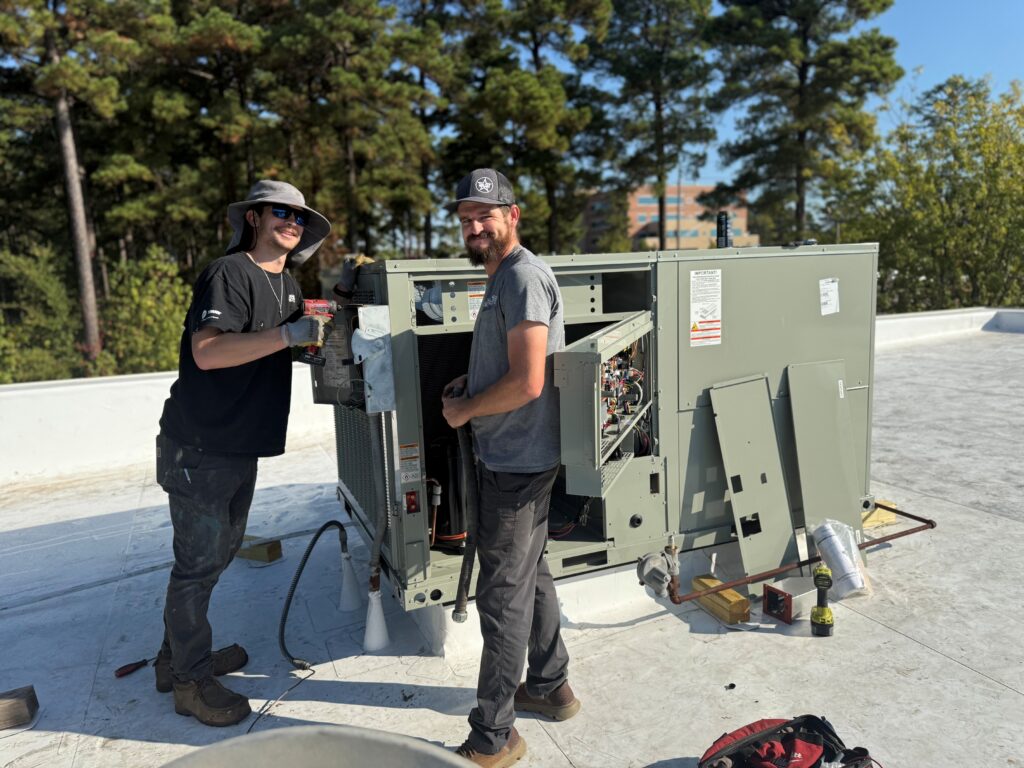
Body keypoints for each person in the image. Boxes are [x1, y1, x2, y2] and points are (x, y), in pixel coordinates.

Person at [154, 180, 332, 727]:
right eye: (280, 212)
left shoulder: (290, 286)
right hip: (200, 447)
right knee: (196, 566)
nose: (292, 222)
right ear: (254, 218)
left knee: (217, 556)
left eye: (300, 217)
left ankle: (175, 658)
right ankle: (188, 681)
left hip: (238, 446)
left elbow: (288, 343)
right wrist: (286, 337)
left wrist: (326, 340)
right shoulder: (228, 273)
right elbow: (207, 353)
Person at [441, 169, 580, 767]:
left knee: (502, 598)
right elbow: (510, 365)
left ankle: (495, 735)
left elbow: (528, 382)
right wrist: (470, 385)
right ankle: (550, 685)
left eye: (486, 216)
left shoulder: (522, 277)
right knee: (532, 572)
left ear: (513, 215)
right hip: (516, 457)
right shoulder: (502, 278)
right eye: (467, 218)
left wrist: (466, 409)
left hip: (517, 465)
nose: (475, 227)